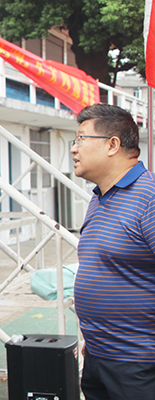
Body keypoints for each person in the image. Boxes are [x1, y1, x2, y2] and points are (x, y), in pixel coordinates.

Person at [71, 103, 155, 399]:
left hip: (138, 363)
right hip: (98, 354)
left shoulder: (149, 199)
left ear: (112, 145)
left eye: (81, 139)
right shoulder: (99, 198)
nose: (74, 149)